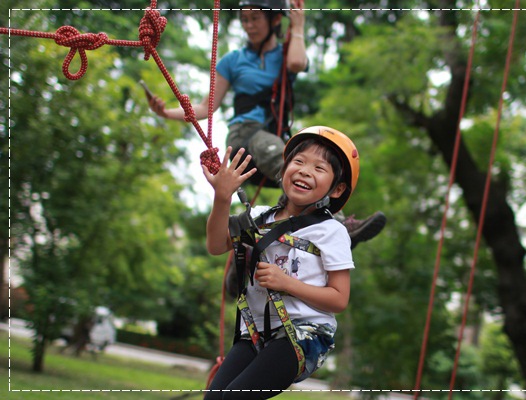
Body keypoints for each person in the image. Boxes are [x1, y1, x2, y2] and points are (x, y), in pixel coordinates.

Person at [147, 0, 386, 249]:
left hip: (273, 138)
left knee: (300, 182)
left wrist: (298, 25)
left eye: (255, 18)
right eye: (244, 19)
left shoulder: (284, 54)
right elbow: (205, 107)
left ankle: (293, 232)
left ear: (273, 20)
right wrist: (165, 112)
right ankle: (338, 222)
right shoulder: (233, 61)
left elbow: (297, 63)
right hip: (246, 136)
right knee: (295, 168)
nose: (249, 25)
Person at [202, 125, 357, 398]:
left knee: (235, 397)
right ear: (283, 170)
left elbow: (339, 299)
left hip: (304, 335)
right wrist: (222, 197)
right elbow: (216, 245)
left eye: (319, 168)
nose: (305, 171)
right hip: (256, 331)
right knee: (215, 396)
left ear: (337, 189)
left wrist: (287, 283)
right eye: (298, 162)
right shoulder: (260, 217)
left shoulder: (331, 232)